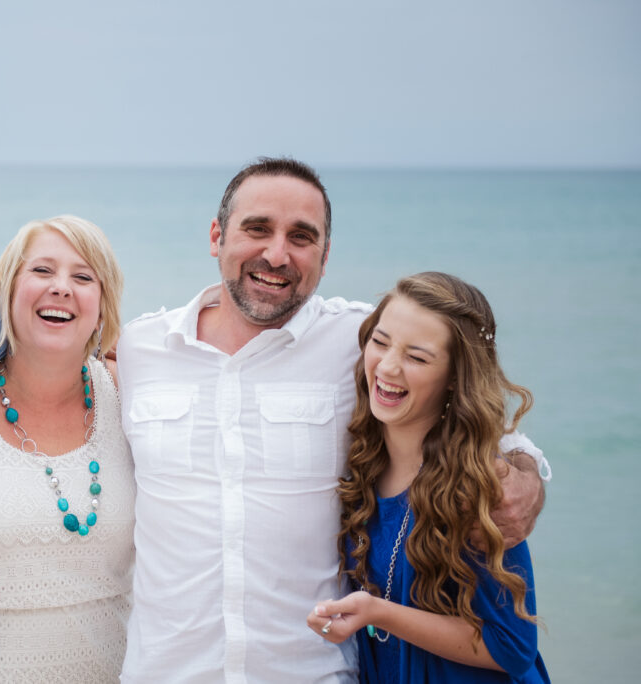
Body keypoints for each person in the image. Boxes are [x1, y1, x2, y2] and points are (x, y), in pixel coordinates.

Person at [115, 158, 549, 682]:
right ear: (216, 236)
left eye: (301, 237)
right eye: (257, 229)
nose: (277, 254)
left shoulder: (361, 341)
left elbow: (464, 407)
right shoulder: (141, 348)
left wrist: (525, 470)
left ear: (324, 257)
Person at [307, 272, 549, 683]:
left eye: (417, 358)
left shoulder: (478, 483)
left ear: (456, 376)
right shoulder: (362, 458)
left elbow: (513, 645)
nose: (387, 367)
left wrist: (381, 614)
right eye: (380, 342)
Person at [0, 216, 134, 682]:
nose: (62, 288)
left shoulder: (129, 395)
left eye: (83, 277)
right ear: (7, 291)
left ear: (103, 305)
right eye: (42, 271)